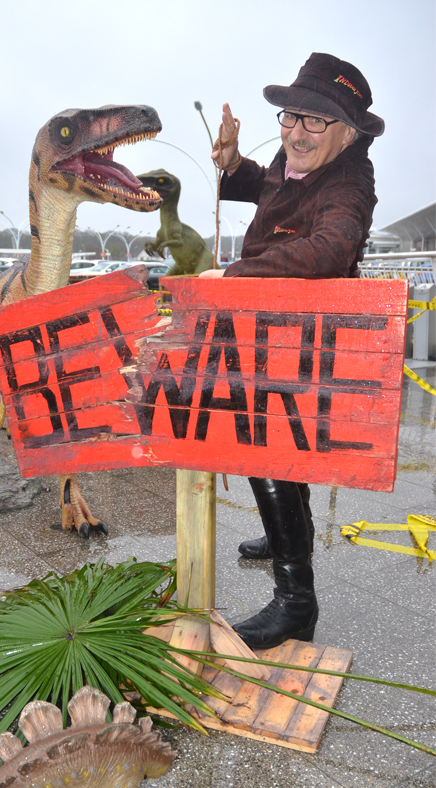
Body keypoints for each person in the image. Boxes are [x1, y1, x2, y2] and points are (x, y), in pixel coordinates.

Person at [201, 53, 384, 650]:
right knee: (277, 451)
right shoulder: (292, 156)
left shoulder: (352, 182)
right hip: (267, 325)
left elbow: (331, 250)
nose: (295, 134)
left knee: (271, 446)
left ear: (348, 133)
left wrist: (235, 274)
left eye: (314, 123)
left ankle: (296, 602)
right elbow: (267, 185)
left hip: (306, 338)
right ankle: (287, 531)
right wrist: (231, 164)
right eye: (289, 117)